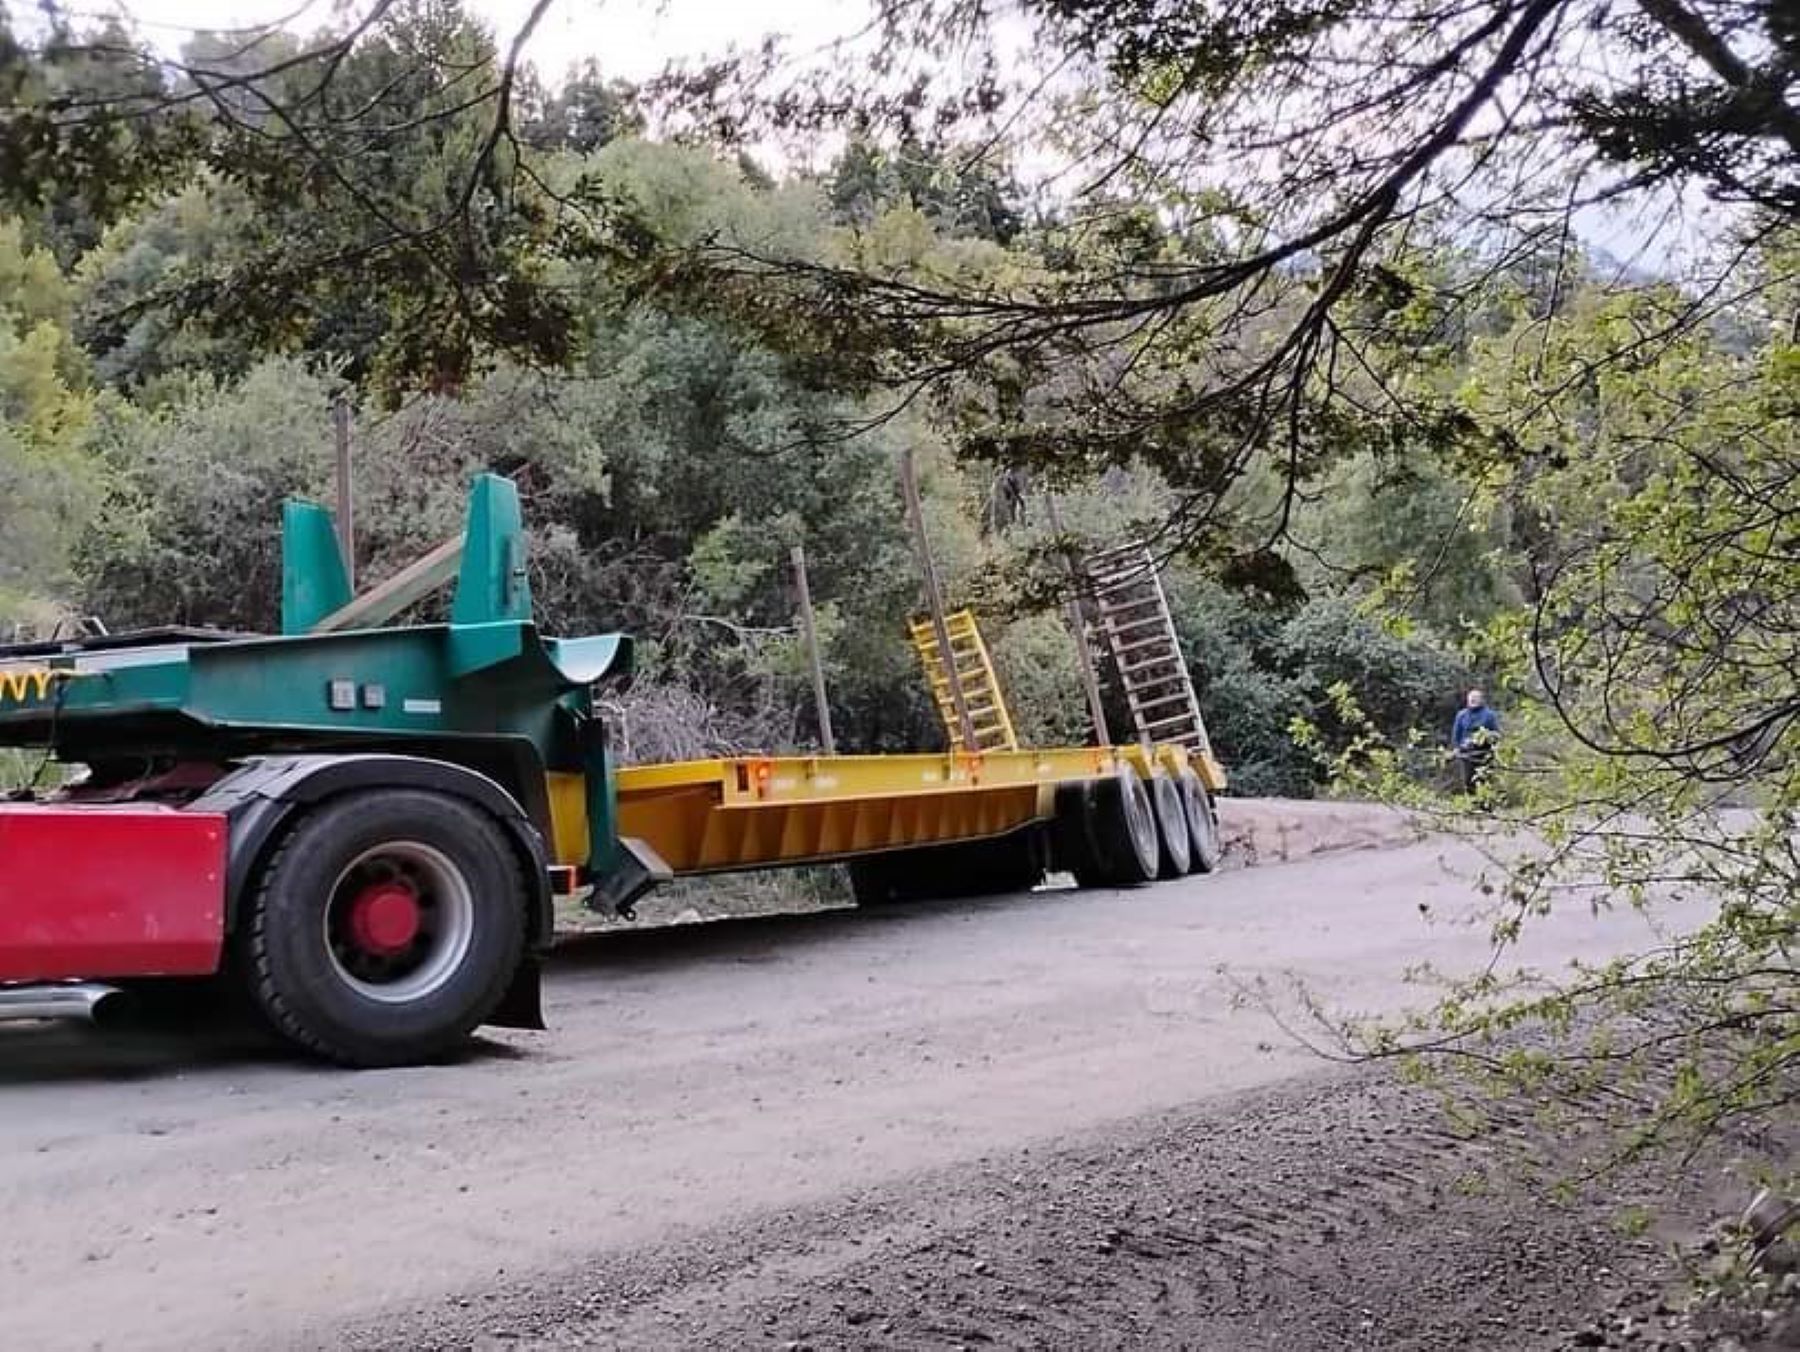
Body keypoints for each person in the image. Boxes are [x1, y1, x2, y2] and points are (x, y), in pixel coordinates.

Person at [1450, 688, 1500, 796]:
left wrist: (1486, 740)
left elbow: (1496, 734)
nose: (1472, 700)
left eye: (1475, 698)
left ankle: (1485, 807)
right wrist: (1456, 748)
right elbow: (1456, 734)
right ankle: (1471, 807)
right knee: (1468, 781)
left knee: (1484, 781)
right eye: (1471, 698)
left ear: (1481, 700)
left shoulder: (1489, 715)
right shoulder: (1461, 715)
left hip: (1484, 753)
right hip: (1466, 754)